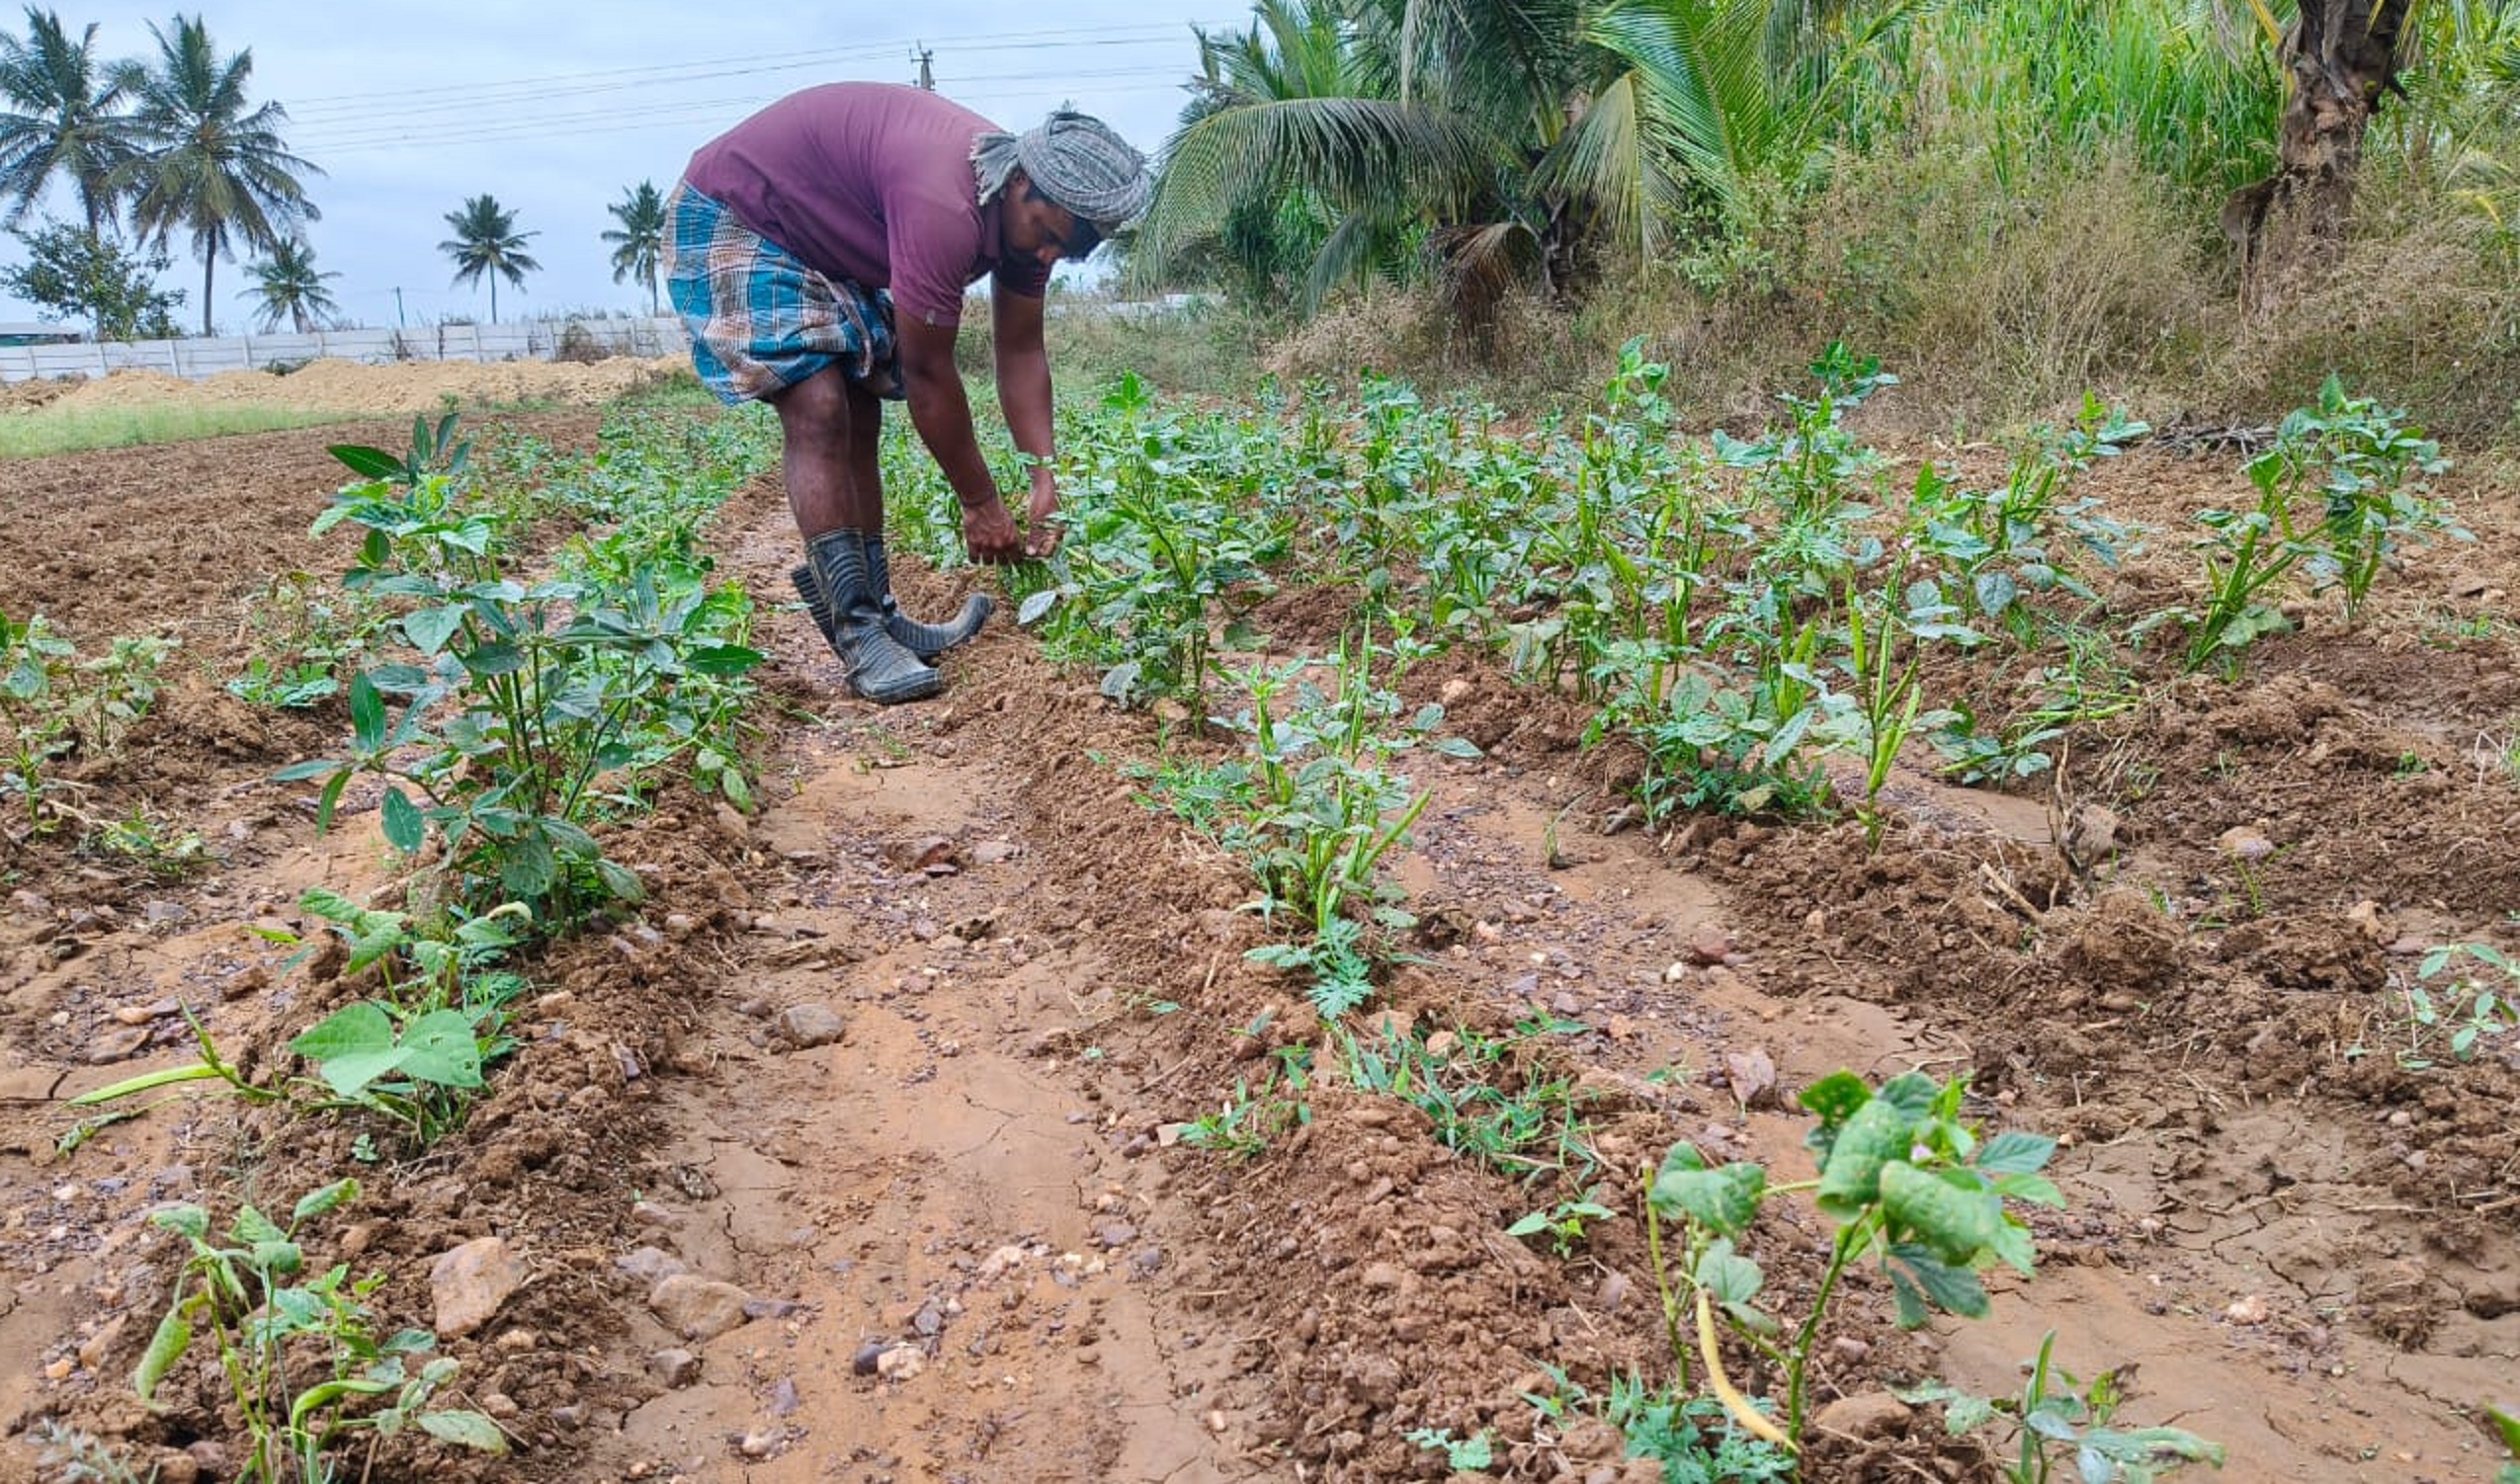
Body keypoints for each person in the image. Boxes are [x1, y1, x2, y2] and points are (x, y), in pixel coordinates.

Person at [663, 83, 1151, 703]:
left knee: (861, 402)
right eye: (1047, 234)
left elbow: (1022, 351)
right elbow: (928, 373)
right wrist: (980, 502)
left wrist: (1044, 476)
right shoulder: (945, 205)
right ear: (1021, 183)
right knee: (818, 405)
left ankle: (880, 611)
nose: (1049, 254)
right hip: (741, 212)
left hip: (823, 241)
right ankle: (859, 631)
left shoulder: (1028, 219)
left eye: (1068, 249)